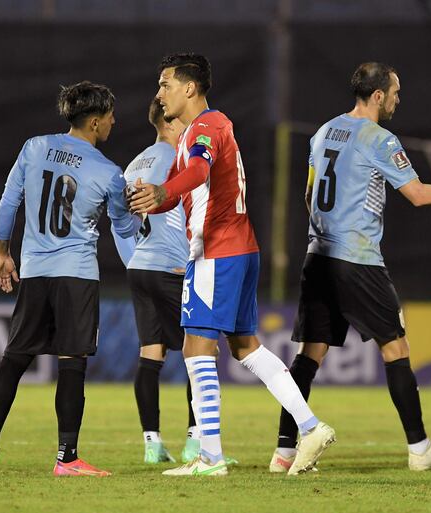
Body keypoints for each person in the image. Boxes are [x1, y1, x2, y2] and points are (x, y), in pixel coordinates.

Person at [270, 62, 431, 472]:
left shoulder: (322, 132)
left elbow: (309, 195)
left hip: (318, 257)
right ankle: (420, 449)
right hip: (357, 259)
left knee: (309, 355)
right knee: (395, 347)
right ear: (379, 95)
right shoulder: (378, 139)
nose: (399, 100)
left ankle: (283, 452)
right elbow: (418, 195)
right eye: (396, 92)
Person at [129, 53, 335, 477]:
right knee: (245, 346)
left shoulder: (203, 128)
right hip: (241, 247)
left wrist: (163, 194)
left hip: (217, 252)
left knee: (196, 346)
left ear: (190, 88)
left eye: (165, 84)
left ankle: (210, 457)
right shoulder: (216, 124)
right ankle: (310, 426)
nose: (159, 93)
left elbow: (200, 171)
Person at [0, 81, 140, 478]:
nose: (115, 121)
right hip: (77, 276)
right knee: (72, 363)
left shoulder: (35, 147)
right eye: (111, 115)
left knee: (14, 359)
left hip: (34, 271)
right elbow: (123, 226)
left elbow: (8, 202)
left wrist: (1, 253)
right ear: (95, 122)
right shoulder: (109, 172)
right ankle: (67, 458)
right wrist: (141, 209)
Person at [111, 98, 201, 464]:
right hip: (172, 268)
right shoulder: (177, 158)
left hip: (141, 267)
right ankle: (196, 443)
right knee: (201, 354)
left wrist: (134, 261)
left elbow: (119, 223)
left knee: (151, 353)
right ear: (171, 121)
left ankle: (152, 444)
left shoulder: (135, 164)